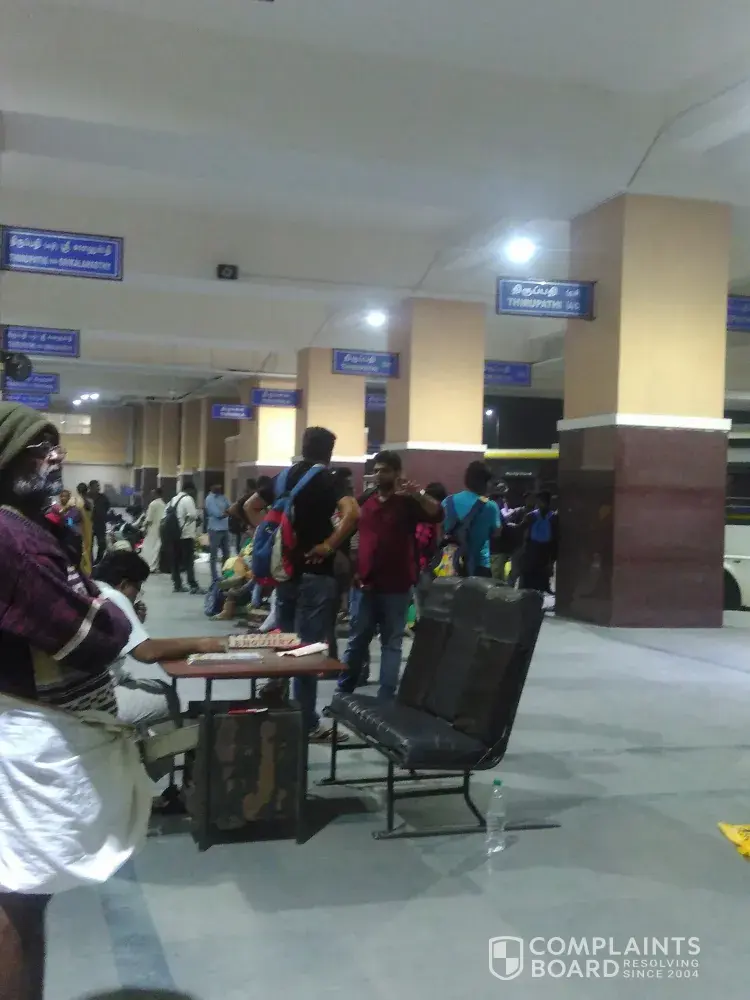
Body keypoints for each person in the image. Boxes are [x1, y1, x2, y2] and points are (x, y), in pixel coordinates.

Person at [0, 402, 148, 1000]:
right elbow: (96, 637)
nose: (56, 458)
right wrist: (110, 606)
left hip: (26, 723)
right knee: (18, 899)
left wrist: (93, 596)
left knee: (22, 895)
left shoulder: (26, 528)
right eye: (42, 449)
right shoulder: (12, 538)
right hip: (30, 733)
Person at [244, 427, 360, 741]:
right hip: (316, 573)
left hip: (285, 574)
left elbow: (250, 506)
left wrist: (274, 537)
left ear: (304, 447)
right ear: (329, 452)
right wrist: (328, 545)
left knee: (286, 644)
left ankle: (279, 712)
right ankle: (307, 723)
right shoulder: (329, 479)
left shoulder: (283, 477)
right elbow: (352, 513)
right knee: (307, 651)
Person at [338, 451, 443, 700]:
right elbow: (347, 532)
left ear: (397, 473)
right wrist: (352, 570)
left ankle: (385, 698)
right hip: (364, 583)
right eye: (376, 470)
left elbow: (437, 513)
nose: (378, 475)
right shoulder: (365, 500)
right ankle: (343, 691)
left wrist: (417, 494)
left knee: (391, 643)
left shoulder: (408, 503)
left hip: (396, 585)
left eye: (384, 470)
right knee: (356, 641)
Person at [442, 461, 501, 578]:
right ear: (485, 483)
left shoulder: (447, 502)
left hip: (450, 564)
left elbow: (441, 529)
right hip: (479, 567)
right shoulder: (490, 506)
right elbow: (497, 533)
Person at [413, 480, 447, 617]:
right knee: (423, 605)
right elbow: (421, 542)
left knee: (422, 603)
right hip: (421, 568)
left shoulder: (426, 519)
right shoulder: (426, 521)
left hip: (421, 566)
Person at [519, 490, 558, 594]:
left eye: (542, 501)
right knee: (531, 574)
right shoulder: (532, 516)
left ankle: (541, 590)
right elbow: (523, 530)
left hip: (544, 548)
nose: (540, 504)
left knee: (542, 573)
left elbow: (555, 536)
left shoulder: (552, 517)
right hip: (534, 548)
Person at [165, 481, 201, 594]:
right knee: (188, 561)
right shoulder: (188, 499)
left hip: (174, 535)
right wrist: (194, 521)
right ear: (190, 489)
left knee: (175, 560)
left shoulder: (173, 500)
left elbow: (165, 515)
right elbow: (193, 515)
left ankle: (177, 585)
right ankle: (193, 585)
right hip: (186, 535)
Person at [204, 483, 231, 583]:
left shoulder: (223, 497)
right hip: (214, 529)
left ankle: (225, 575)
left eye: (220, 486)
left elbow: (231, 508)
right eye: (216, 486)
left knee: (226, 554)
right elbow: (218, 514)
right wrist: (227, 512)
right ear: (211, 487)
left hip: (225, 528)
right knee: (214, 555)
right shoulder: (209, 499)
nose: (219, 487)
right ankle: (215, 578)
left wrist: (227, 512)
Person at [140, 487, 166, 572]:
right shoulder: (163, 504)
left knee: (148, 547)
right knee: (156, 547)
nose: (151, 495)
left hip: (152, 528)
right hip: (160, 528)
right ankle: (155, 566)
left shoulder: (153, 504)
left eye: (153, 493)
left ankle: (148, 565)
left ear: (157, 494)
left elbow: (149, 519)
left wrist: (144, 527)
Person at [74, 481, 94, 575]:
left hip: (79, 529)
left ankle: (81, 571)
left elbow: (71, 517)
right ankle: (89, 571)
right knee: (88, 549)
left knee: (80, 549)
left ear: (78, 491)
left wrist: (69, 524)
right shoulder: (91, 502)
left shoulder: (76, 502)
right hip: (89, 528)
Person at [89, 479, 111, 564]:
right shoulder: (86, 497)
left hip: (100, 524)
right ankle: (90, 561)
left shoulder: (103, 497)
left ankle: (98, 561)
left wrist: (102, 514)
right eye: (96, 486)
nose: (98, 488)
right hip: (89, 525)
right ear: (91, 487)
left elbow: (107, 506)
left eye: (98, 486)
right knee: (89, 545)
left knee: (102, 544)